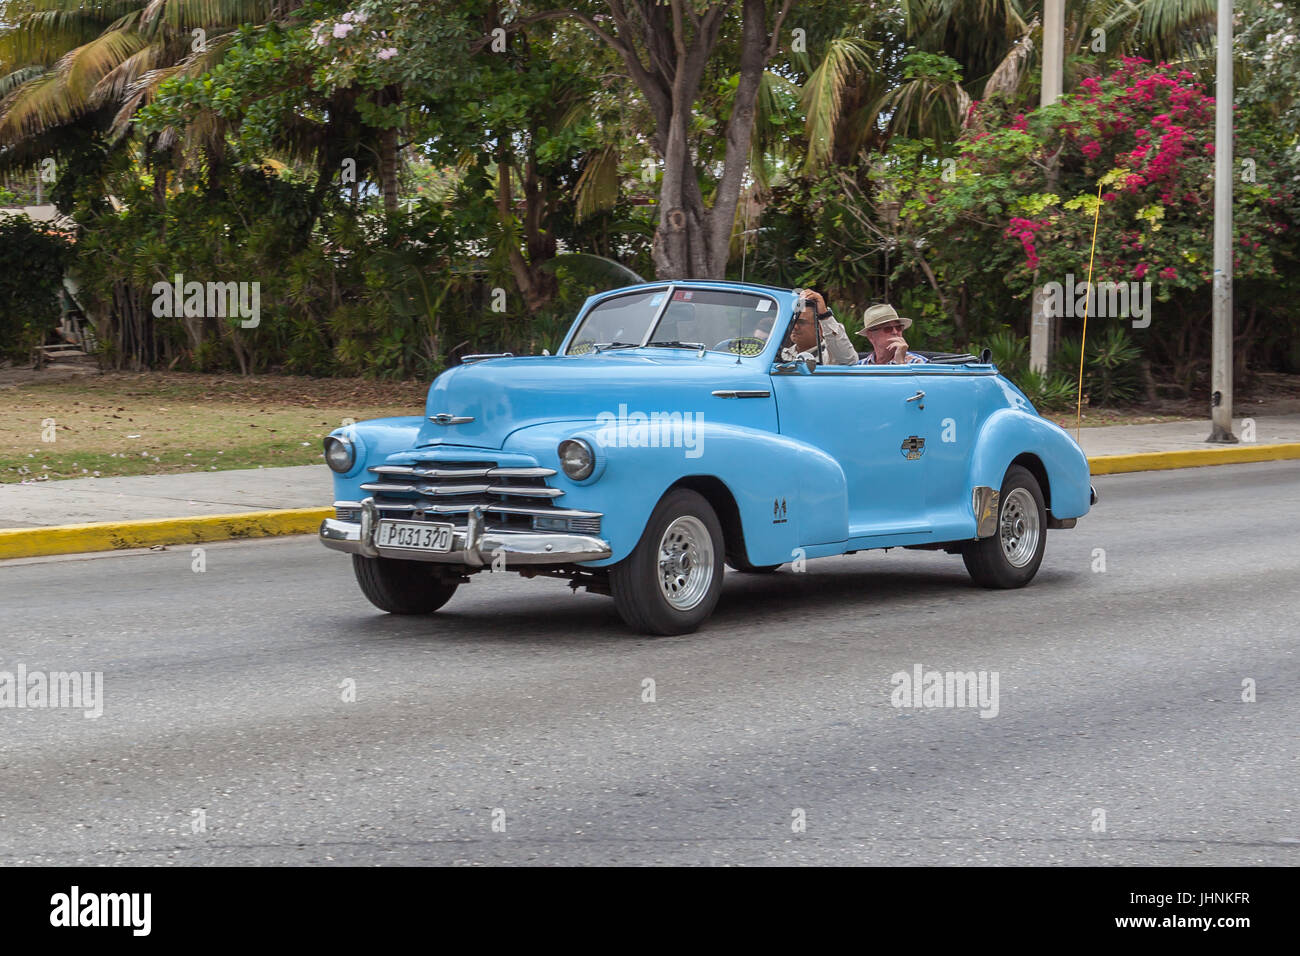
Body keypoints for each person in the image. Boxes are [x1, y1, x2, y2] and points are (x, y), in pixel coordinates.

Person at [779, 290, 858, 365]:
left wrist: (824, 315)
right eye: (793, 321)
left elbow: (850, 360)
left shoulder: (831, 356)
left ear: (820, 327)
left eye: (801, 322)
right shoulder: (780, 354)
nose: (794, 327)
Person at [856, 304, 928, 365]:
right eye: (888, 328)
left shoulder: (917, 363)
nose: (895, 332)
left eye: (898, 327)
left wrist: (900, 362)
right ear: (871, 335)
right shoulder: (859, 366)